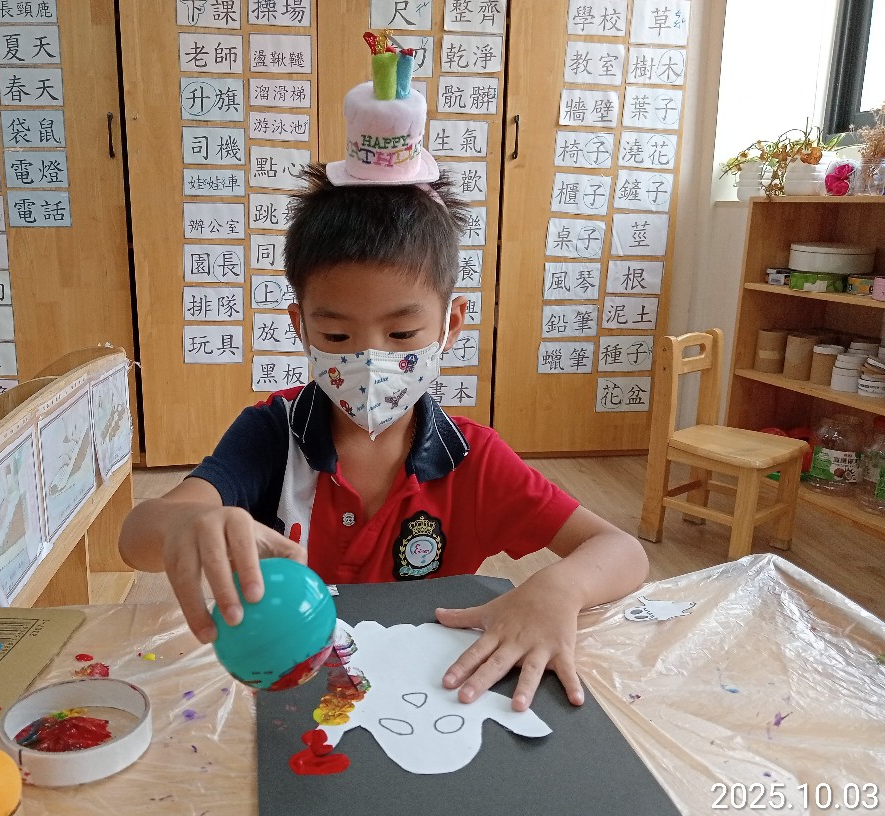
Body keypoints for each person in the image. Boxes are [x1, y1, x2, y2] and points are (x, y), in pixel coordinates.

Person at [121, 77, 648, 714]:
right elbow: (137, 535)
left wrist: (560, 588)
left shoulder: (471, 459)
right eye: (336, 335)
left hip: (428, 700)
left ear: (450, 325)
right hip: (292, 690)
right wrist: (186, 524)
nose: (369, 360)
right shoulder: (272, 433)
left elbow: (621, 550)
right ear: (300, 326)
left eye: (401, 334)